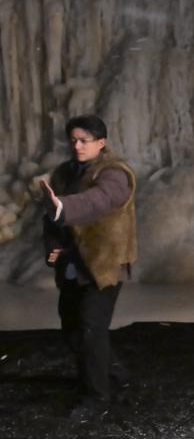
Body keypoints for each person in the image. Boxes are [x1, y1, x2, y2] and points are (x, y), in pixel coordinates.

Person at [39, 115, 137, 422]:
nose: (77, 146)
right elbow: (50, 218)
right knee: (72, 327)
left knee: (91, 328)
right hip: (72, 263)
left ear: (101, 143)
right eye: (73, 140)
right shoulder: (64, 172)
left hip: (103, 264)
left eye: (84, 140)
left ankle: (96, 397)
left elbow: (99, 200)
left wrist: (64, 207)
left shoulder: (114, 174)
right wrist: (53, 246)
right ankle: (114, 373)